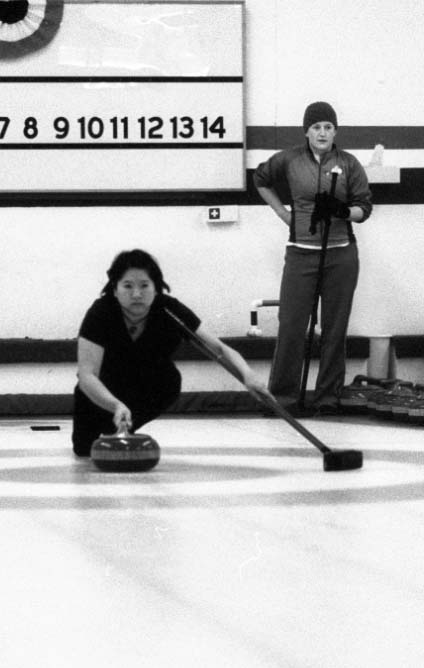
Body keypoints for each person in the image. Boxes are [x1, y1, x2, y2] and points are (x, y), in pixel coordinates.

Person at [72, 248, 270, 456]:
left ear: (156, 288)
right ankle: (118, 419)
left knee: (168, 381)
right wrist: (115, 405)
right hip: (102, 390)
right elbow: (87, 376)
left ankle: (126, 425)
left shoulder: (170, 310)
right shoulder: (101, 313)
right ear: (115, 289)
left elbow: (219, 348)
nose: (137, 294)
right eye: (128, 286)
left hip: (149, 385)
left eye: (144, 285)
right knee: (85, 449)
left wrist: (248, 375)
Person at [254, 100, 372, 413]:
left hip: (340, 256)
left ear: (335, 131)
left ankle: (328, 398)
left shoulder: (348, 164)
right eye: (317, 127)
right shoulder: (290, 160)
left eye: (328, 127)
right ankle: (282, 397)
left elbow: (365, 209)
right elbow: (260, 179)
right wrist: (284, 214)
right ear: (306, 131)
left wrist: (343, 210)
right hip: (301, 254)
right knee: (292, 326)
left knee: (334, 330)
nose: (322, 132)